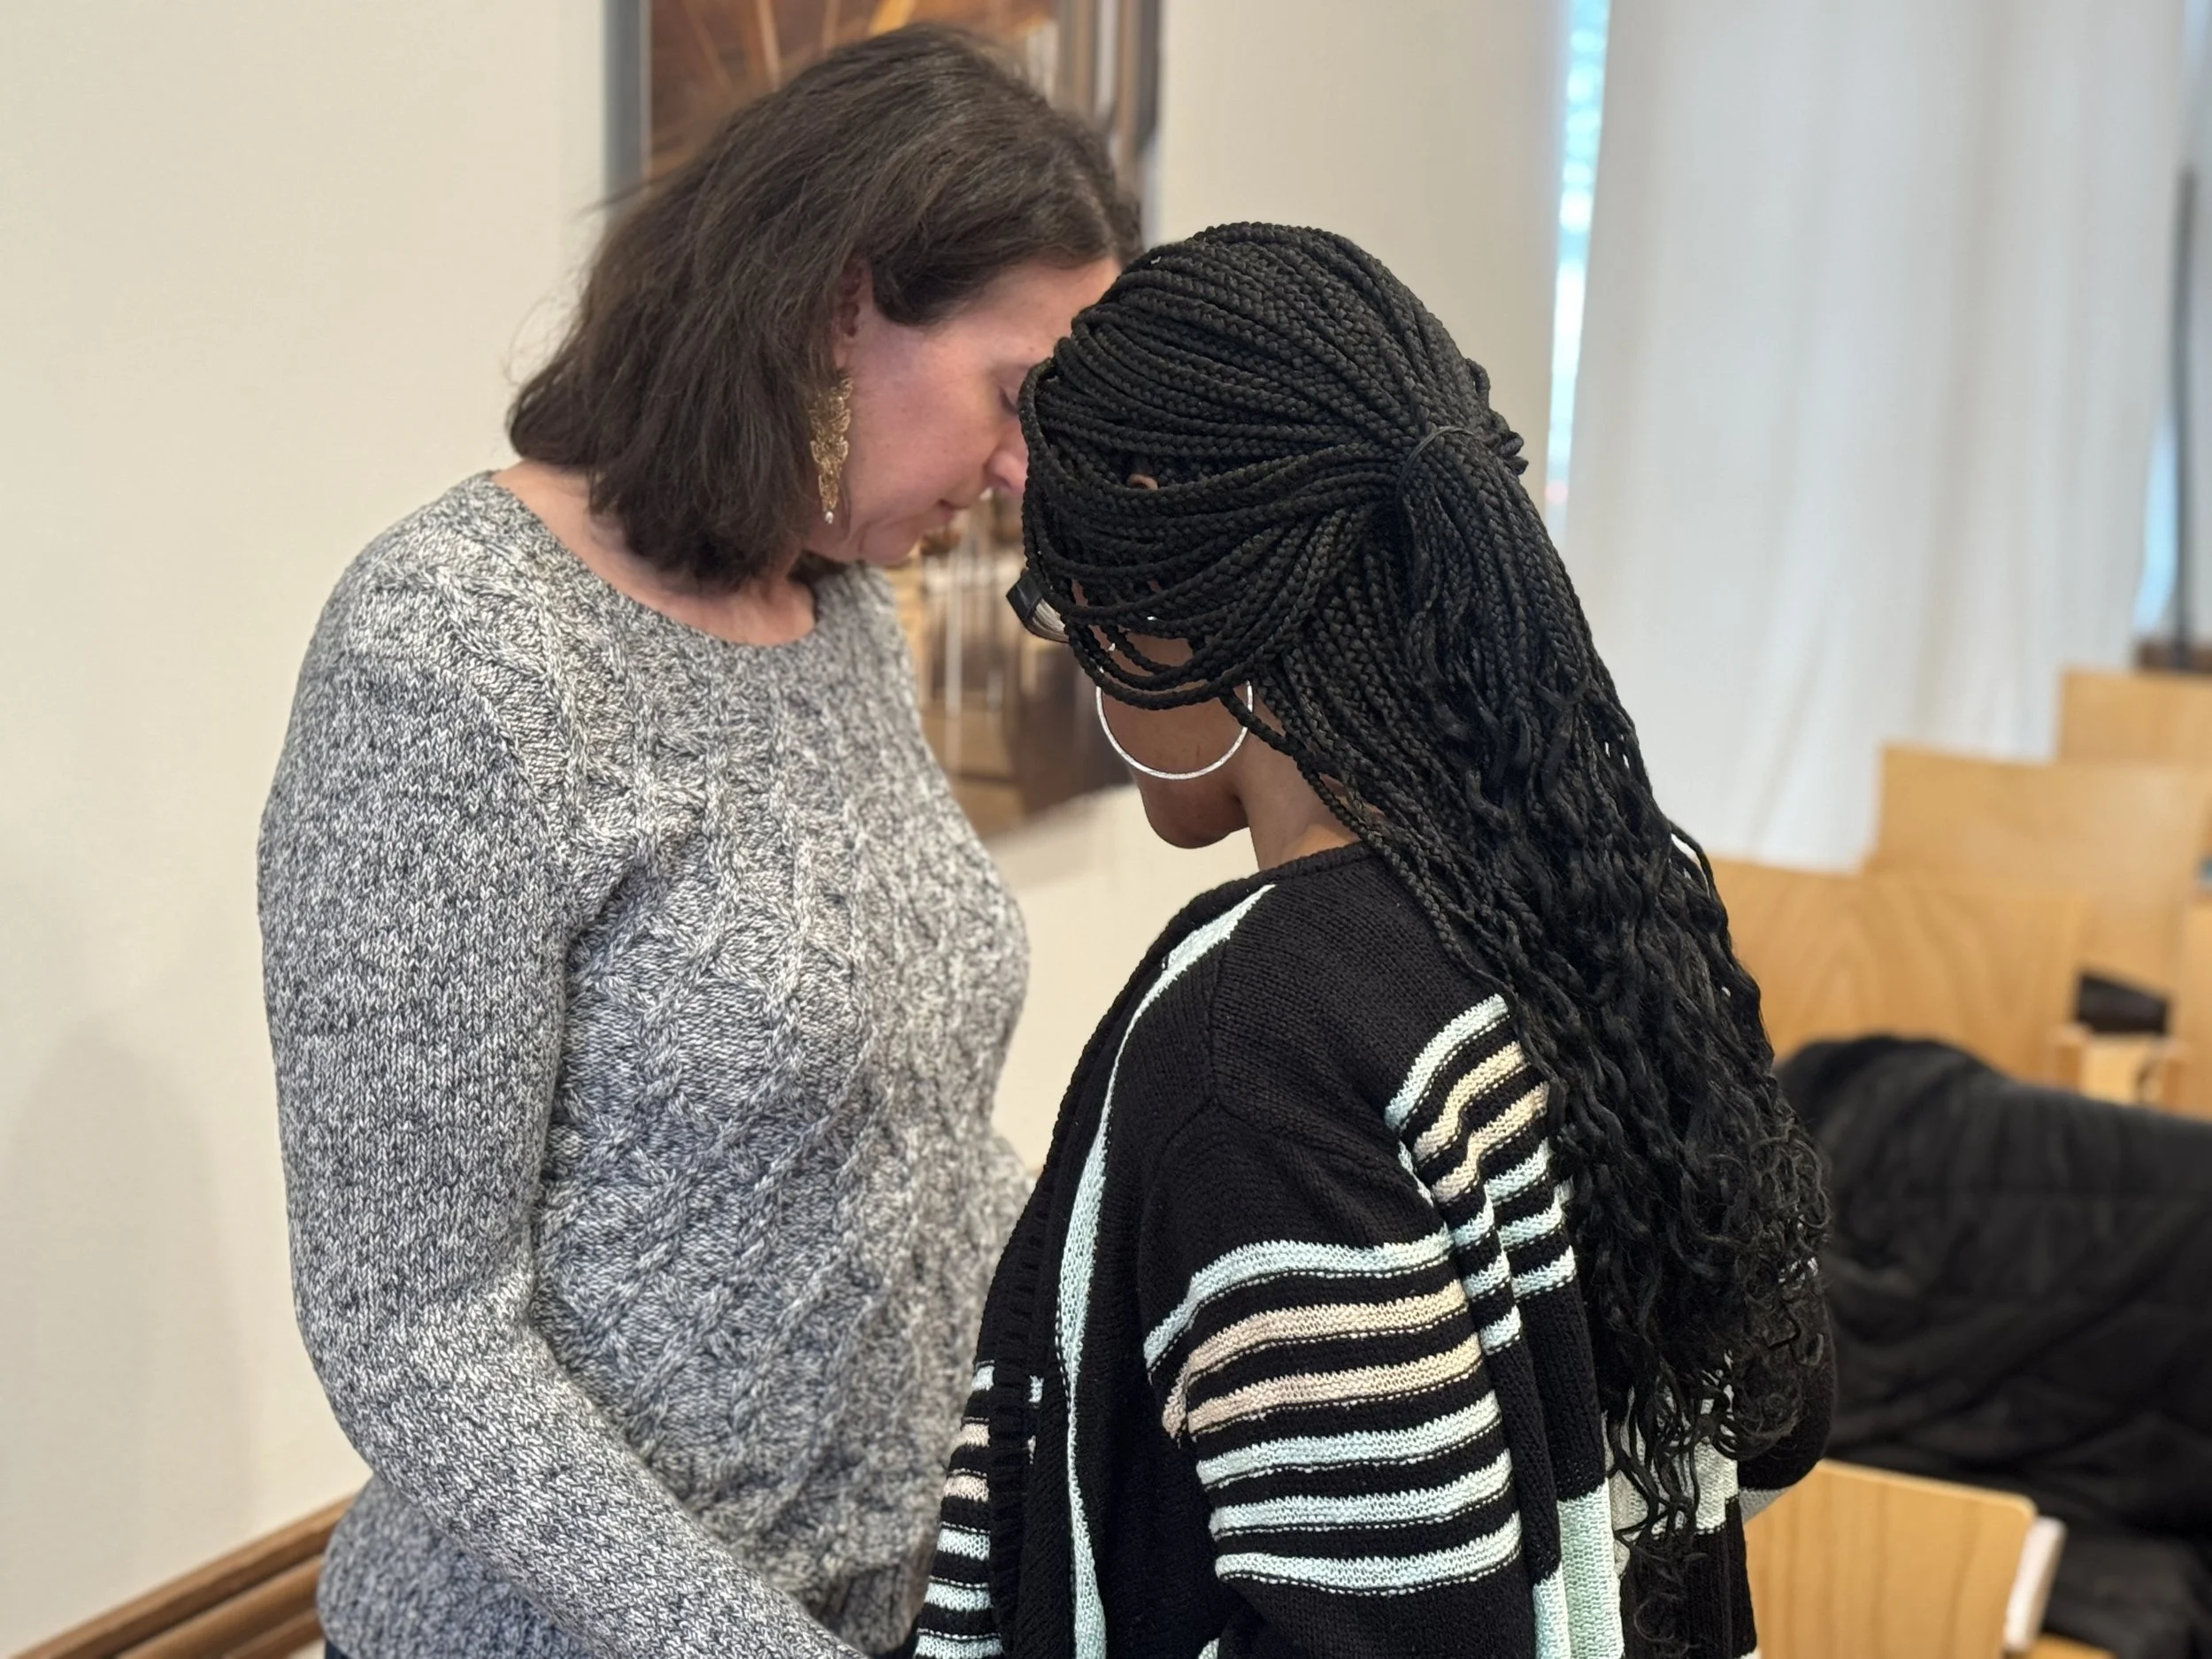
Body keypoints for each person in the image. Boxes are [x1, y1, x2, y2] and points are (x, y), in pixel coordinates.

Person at [257, 28, 1134, 1659]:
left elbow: (912, 1142)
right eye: (1016, 400)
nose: (1028, 470)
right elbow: (413, 1331)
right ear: (837, 308)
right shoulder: (449, 649)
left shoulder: (838, 609)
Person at [899, 225, 1832, 1659]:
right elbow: (1774, 1419)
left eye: (1071, 601)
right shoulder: (1593, 902)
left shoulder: (1258, 1039)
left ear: (1164, 608)